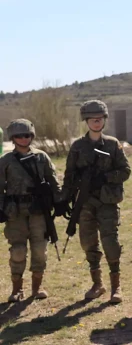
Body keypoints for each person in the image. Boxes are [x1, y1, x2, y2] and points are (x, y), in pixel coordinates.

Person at [61, 100, 131, 304]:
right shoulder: (77, 146)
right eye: (93, 119)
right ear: (87, 121)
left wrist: (106, 177)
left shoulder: (112, 144)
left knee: (111, 242)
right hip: (85, 202)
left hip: (107, 200)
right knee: (87, 242)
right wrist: (65, 199)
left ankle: (116, 287)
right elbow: (69, 175)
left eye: (100, 119)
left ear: (104, 120)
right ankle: (97, 284)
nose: (97, 122)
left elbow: (126, 171)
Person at [0, 119, 63, 301]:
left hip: (38, 211)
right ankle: (17, 289)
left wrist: (59, 202)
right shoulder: (5, 161)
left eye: (27, 135)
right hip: (15, 212)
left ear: (32, 136)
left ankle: (37, 287)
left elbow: (53, 181)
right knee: (18, 251)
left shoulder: (41, 157)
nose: (23, 139)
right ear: (13, 138)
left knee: (39, 250)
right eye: (19, 136)